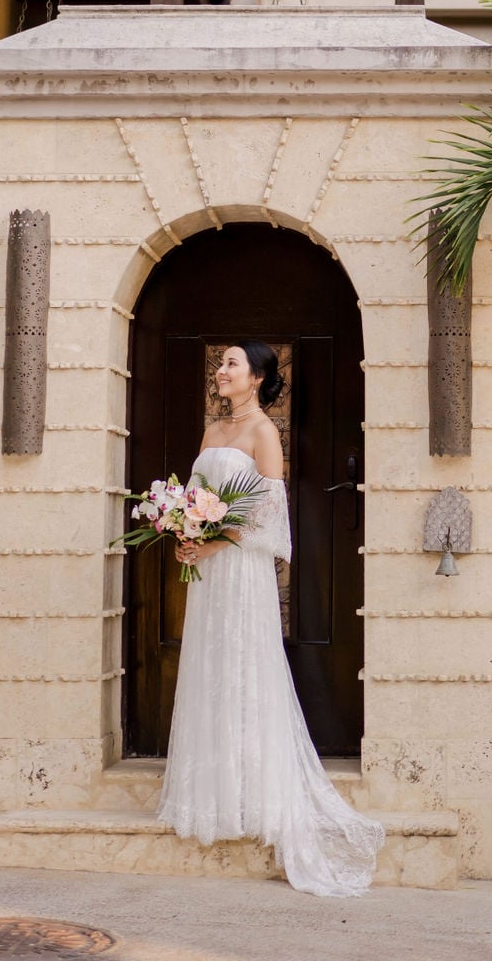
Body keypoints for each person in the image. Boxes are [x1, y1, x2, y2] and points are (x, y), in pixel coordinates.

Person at [156, 340, 385, 897]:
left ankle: (253, 792)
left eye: (232, 363)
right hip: (207, 575)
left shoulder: (264, 433)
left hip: (240, 571)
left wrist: (213, 544)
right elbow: (196, 496)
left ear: (256, 378)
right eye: (221, 362)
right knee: (210, 668)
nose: (221, 370)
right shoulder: (212, 432)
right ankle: (209, 792)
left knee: (243, 667)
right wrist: (186, 535)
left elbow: (266, 513)